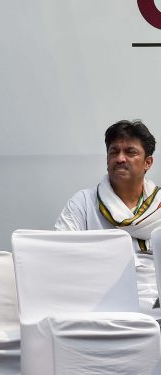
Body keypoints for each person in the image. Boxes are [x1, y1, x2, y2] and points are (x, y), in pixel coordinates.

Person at [55, 120, 161, 321]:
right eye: (114, 152)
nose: (120, 158)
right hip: (101, 303)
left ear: (148, 162)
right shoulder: (83, 203)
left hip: (157, 302)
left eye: (130, 152)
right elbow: (61, 257)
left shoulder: (159, 204)